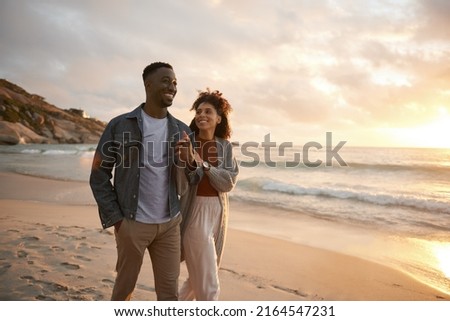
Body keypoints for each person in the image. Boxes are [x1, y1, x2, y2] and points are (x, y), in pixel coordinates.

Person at [89, 62, 196, 301]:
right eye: (166, 81)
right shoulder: (119, 125)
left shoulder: (183, 130)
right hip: (131, 223)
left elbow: (194, 179)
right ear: (148, 84)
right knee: (123, 291)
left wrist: (190, 160)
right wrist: (116, 219)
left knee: (169, 295)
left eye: (175, 82)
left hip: (169, 224)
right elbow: (98, 174)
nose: (172, 86)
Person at [178, 89, 239, 301]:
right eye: (198, 111)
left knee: (196, 281)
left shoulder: (225, 147)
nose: (201, 115)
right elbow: (185, 181)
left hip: (218, 214)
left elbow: (228, 183)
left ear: (218, 118)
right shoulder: (188, 142)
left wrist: (203, 164)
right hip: (194, 212)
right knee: (208, 282)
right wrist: (188, 160)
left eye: (208, 111)